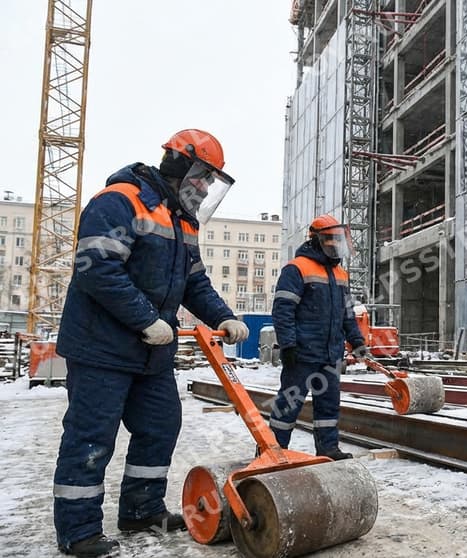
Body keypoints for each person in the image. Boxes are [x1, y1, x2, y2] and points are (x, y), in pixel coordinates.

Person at [53, 129, 250, 557]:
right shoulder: (120, 201)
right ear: (180, 164)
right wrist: (145, 319)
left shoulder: (183, 221)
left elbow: (194, 282)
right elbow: (97, 269)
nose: (202, 188)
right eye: (201, 177)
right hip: (100, 347)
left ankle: (141, 509)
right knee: (92, 438)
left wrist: (224, 316)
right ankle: (78, 530)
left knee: (160, 425)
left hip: (151, 351)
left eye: (210, 182)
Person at [270, 214, 368, 462]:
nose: (336, 247)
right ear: (316, 241)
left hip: (330, 355)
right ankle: (273, 451)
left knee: (328, 405)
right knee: (289, 404)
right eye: (331, 241)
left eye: (339, 241)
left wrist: (357, 341)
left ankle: (328, 448)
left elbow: (347, 313)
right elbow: (283, 310)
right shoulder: (297, 269)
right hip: (302, 354)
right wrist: (288, 344)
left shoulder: (341, 274)